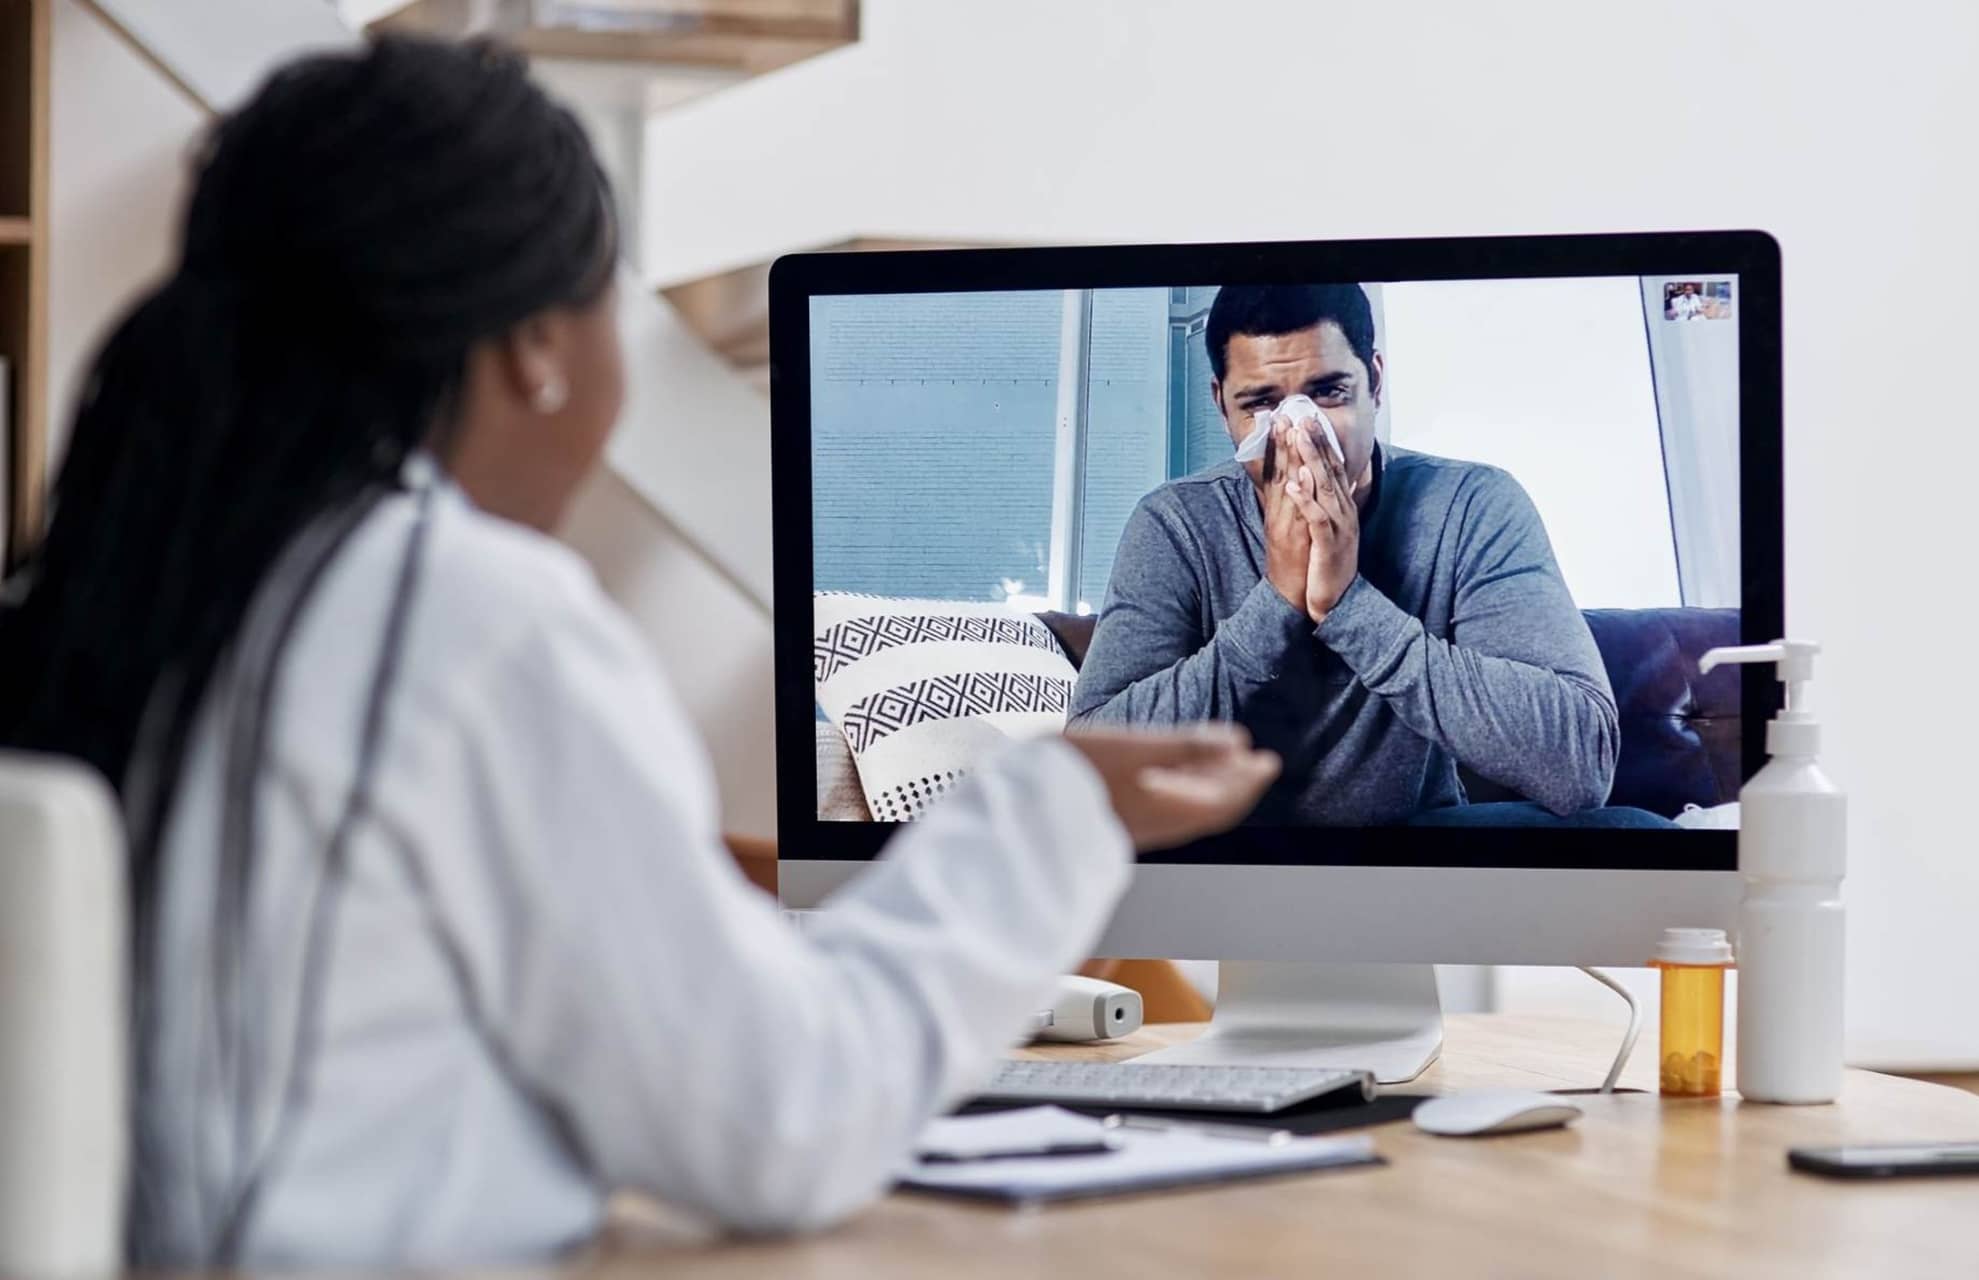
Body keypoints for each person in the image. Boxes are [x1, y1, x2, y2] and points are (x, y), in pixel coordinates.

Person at [0, 39, 1278, 1270]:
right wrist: (1055, 801)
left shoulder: (131, 591)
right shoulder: (467, 619)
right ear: (537, 349)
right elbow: (785, 1116)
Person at [1069, 283, 1667, 830]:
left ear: (1375, 383)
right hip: (1226, 853)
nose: (1299, 432)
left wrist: (1348, 606)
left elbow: (1581, 766)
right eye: (1261, 405)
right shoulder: (1175, 523)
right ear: (1222, 406)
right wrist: (1277, 602)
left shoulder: (1469, 505)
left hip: (1410, 845)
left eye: (1328, 393)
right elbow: (1088, 769)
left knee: (1637, 834)